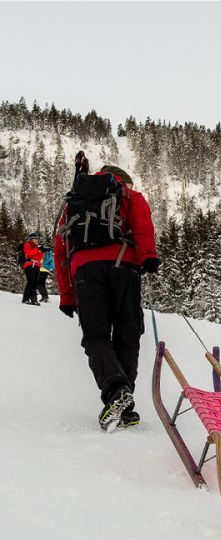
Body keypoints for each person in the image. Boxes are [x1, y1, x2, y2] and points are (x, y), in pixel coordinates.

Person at [54, 165, 159, 432]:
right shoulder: (129, 195)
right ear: (123, 180)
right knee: (128, 332)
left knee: (96, 336)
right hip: (124, 265)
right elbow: (143, 225)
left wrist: (67, 295)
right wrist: (147, 256)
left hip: (85, 271)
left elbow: (61, 248)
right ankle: (124, 400)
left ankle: (116, 392)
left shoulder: (75, 200)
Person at [22, 232, 44, 305]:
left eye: (37, 239)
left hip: (37, 265)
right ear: (31, 239)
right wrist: (38, 250)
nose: (37, 240)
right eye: (35, 239)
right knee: (31, 281)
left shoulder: (36, 247)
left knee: (35, 283)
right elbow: (28, 253)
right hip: (29, 264)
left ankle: (34, 299)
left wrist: (42, 251)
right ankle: (25, 298)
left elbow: (39, 257)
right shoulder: (27, 244)